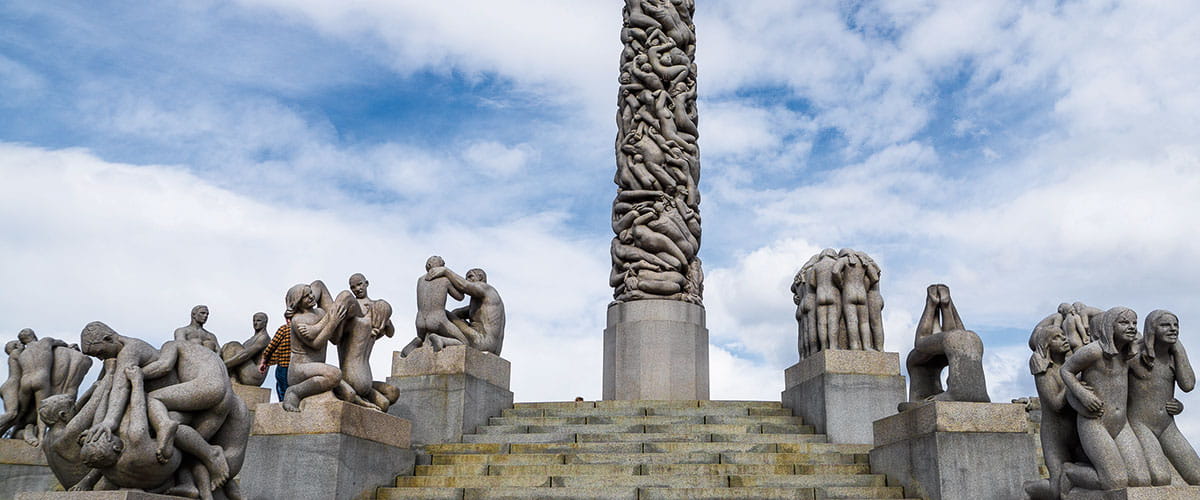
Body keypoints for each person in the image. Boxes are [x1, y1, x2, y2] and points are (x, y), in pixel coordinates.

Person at [1060, 307, 1151, 491]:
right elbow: (1066, 370)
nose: (1131, 327)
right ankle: (1070, 472)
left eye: (1134, 323)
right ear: (1110, 326)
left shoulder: (1127, 355)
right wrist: (1082, 394)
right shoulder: (1094, 351)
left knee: (1141, 480)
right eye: (1124, 322)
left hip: (1121, 424)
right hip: (1095, 423)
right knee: (1115, 481)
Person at [1128, 309, 1200, 485]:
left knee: (1197, 476)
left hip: (1167, 425)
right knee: (1161, 478)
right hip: (1139, 424)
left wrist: (1179, 349)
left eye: (1176, 325)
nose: (1173, 329)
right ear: (1152, 329)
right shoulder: (1134, 353)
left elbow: (1188, 385)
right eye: (1165, 325)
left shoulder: (1173, 356)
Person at [425, 266, 506, 355]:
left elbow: (464, 286)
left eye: (470, 277)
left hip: (482, 341)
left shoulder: (486, 289)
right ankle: (442, 340)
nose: (467, 280)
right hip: (491, 347)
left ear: (480, 277)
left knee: (439, 312)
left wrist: (445, 271)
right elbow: (457, 312)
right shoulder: (482, 305)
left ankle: (425, 341)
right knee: (447, 315)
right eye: (466, 278)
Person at [222, 312, 271, 387]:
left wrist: (223, 365)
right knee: (226, 346)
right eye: (254, 321)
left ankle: (232, 377)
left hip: (255, 377)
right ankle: (232, 378)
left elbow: (245, 355)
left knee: (233, 345)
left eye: (258, 321)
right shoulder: (249, 341)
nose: (255, 323)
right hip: (246, 372)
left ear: (265, 322)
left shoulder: (264, 338)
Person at [258, 321, 291, 402]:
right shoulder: (301, 329)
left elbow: (271, 346)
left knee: (283, 390)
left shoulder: (284, 329)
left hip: (284, 364)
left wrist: (264, 361)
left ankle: (284, 404)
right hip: (297, 365)